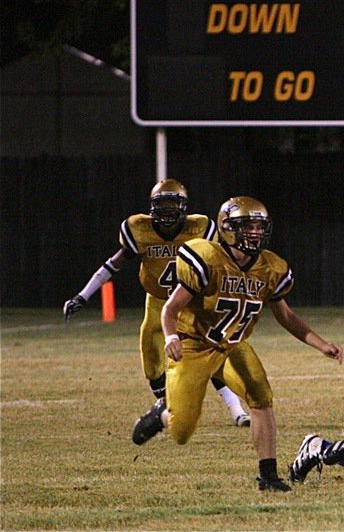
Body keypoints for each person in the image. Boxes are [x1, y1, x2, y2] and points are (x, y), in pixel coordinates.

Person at [129, 196, 344, 492]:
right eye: (248, 226)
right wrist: (171, 336)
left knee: (260, 394)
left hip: (231, 347)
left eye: (259, 226)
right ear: (228, 228)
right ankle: (162, 414)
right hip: (193, 345)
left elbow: (286, 316)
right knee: (181, 431)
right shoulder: (207, 258)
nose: (255, 232)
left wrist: (320, 344)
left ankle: (268, 476)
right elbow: (170, 309)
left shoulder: (270, 268)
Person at [63, 179, 250, 427]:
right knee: (150, 354)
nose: (168, 211)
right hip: (158, 300)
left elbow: (221, 262)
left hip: (191, 300)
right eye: (163, 205)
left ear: (184, 207)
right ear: (152, 207)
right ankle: (163, 403)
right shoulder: (140, 230)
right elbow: (113, 263)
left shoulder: (200, 228)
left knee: (209, 350)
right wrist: (83, 295)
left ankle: (237, 410)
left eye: (174, 204)